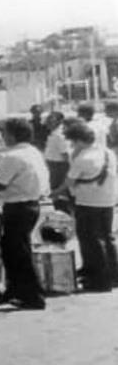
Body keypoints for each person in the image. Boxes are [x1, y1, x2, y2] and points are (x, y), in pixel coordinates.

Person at [0, 118, 49, 309]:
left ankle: (33, 297)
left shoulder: (14, 156)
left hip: (18, 208)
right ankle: (14, 291)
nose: (3, 137)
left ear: (12, 135)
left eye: (5, 133)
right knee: (12, 251)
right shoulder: (32, 151)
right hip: (29, 205)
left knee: (19, 253)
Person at [56, 120, 117, 292]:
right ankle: (113, 275)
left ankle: (99, 281)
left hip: (88, 202)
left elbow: (69, 182)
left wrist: (53, 193)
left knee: (90, 240)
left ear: (78, 140)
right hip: (108, 200)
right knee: (107, 238)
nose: (72, 145)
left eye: (72, 142)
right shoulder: (107, 152)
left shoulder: (82, 158)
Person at [41, 111, 70, 212]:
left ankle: (64, 213)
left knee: (60, 195)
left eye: (51, 120)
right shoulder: (54, 133)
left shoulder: (59, 135)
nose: (48, 122)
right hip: (54, 167)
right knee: (56, 194)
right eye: (48, 119)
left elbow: (65, 154)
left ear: (60, 121)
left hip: (59, 168)